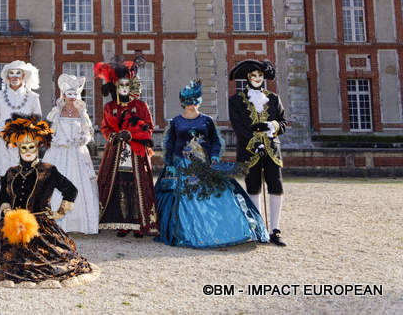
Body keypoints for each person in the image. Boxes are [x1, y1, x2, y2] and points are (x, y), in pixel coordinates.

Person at [0, 115, 97, 287]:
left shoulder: (48, 170)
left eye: (31, 147)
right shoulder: (10, 172)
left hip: (41, 227)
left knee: (51, 260)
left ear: (38, 146)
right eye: (23, 147)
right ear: (17, 148)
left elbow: (71, 190)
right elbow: (3, 196)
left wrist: (60, 212)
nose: (27, 151)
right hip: (12, 226)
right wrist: (7, 210)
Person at [155, 79, 269, 248]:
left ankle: (228, 230)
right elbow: (170, 144)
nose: (192, 105)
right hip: (181, 165)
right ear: (182, 103)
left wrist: (215, 156)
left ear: (199, 101)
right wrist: (170, 163)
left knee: (221, 195)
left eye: (195, 101)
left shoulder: (207, 121)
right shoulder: (176, 122)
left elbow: (215, 141)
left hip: (204, 164)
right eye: (188, 102)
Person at [94, 56, 159, 237]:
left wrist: (131, 135)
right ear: (116, 87)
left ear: (131, 87)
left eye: (126, 86)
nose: (123, 89)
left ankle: (139, 223)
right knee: (120, 187)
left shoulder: (140, 106)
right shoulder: (110, 107)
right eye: (120, 86)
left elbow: (149, 129)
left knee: (137, 187)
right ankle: (123, 222)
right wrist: (113, 136)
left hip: (137, 153)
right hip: (116, 153)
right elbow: (105, 127)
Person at [228, 59, 288, 247]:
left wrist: (272, 125)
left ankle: (275, 230)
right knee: (253, 187)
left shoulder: (274, 98)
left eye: (260, 75)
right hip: (249, 150)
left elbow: (284, 122)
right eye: (253, 75)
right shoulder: (236, 100)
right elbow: (238, 126)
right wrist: (255, 144)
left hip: (272, 150)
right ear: (247, 77)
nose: (257, 78)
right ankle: (258, 228)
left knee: (276, 186)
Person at [44, 73, 99, 234]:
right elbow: (48, 133)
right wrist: (57, 141)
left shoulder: (82, 113)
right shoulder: (56, 113)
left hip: (77, 153)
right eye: (70, 94)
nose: (73, 97)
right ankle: (55, 222)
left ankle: (79, 223)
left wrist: (82, 140)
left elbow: (88, 132)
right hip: (59, 152)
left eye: (75, 94)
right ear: (63, 95)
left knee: (80, 185)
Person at [0, 60, 42, 176]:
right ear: (7, 76)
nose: (15, 76)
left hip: (25, 145)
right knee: (4, 179)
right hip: (4, 145)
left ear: (23, 76)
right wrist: (1, 133)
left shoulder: (33, 97)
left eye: (18, 73)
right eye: (11, 73)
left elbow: (37, 121)